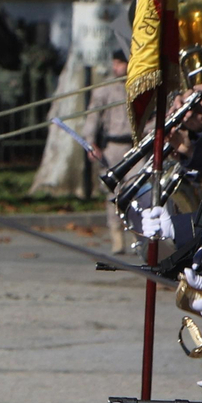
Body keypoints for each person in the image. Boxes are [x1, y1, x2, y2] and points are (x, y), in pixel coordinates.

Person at [85, 50, 134, 253]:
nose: (116, 68)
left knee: (136, 192)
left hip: (134, 147)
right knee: (112, 194)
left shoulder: (139, 84)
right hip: (111, 147)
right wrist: (90, 143)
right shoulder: (104, 89)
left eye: (120, 63)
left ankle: (136, 235)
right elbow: (92, 117)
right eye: (114, 63)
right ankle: (117, 238)